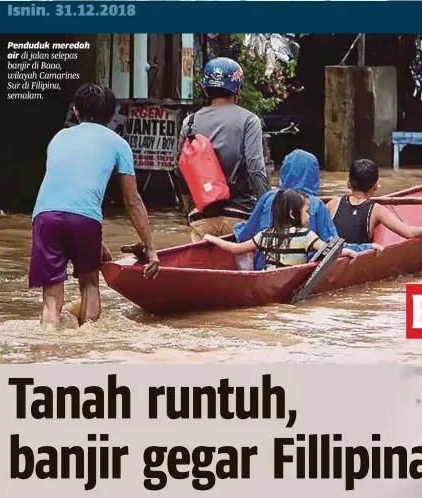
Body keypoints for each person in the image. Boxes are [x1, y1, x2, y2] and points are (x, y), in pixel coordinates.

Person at [30, 83, 158, 326]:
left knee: (51, 300)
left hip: (44, 215)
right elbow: (132, 201)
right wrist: (150, 248)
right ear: (111, 116)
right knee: (89, 284)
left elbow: (67, 193)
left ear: (76, 111)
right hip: (85, 219)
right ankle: (88, 343)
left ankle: (47, 344)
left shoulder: (59, 138)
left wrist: (96, 240)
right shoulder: (118, 143)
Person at [178, 57, 269, 241]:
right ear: (237, 89)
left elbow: (179, 171)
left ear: (205, 89)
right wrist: (268, 211)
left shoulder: (190, 122)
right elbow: (256, 170)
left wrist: (188, 209)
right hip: (239, 215)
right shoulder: (249, 120)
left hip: (200, 216)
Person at [234, 149, 351, 270]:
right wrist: (365, 247)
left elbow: (246, 233)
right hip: (300, 268)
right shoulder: (316, 204)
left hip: (263, 266)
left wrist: (237, 228)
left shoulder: (268, 197)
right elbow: (332, 244)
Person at [205, 188, 357, 269]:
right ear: (292, 214)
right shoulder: (306, 236)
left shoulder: (265, 234)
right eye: (306, 211)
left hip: (266, 280)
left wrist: (211, 238)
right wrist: (349, 251)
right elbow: (329, 251)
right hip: (288, 282)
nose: (309, 216)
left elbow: (236, 249)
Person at [326, 159, 422, 247]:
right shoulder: (377, 210)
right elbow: (408, 232)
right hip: (356, 258)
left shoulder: (333, 203)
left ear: (348, 184)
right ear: (375, 187)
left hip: (333, 255)